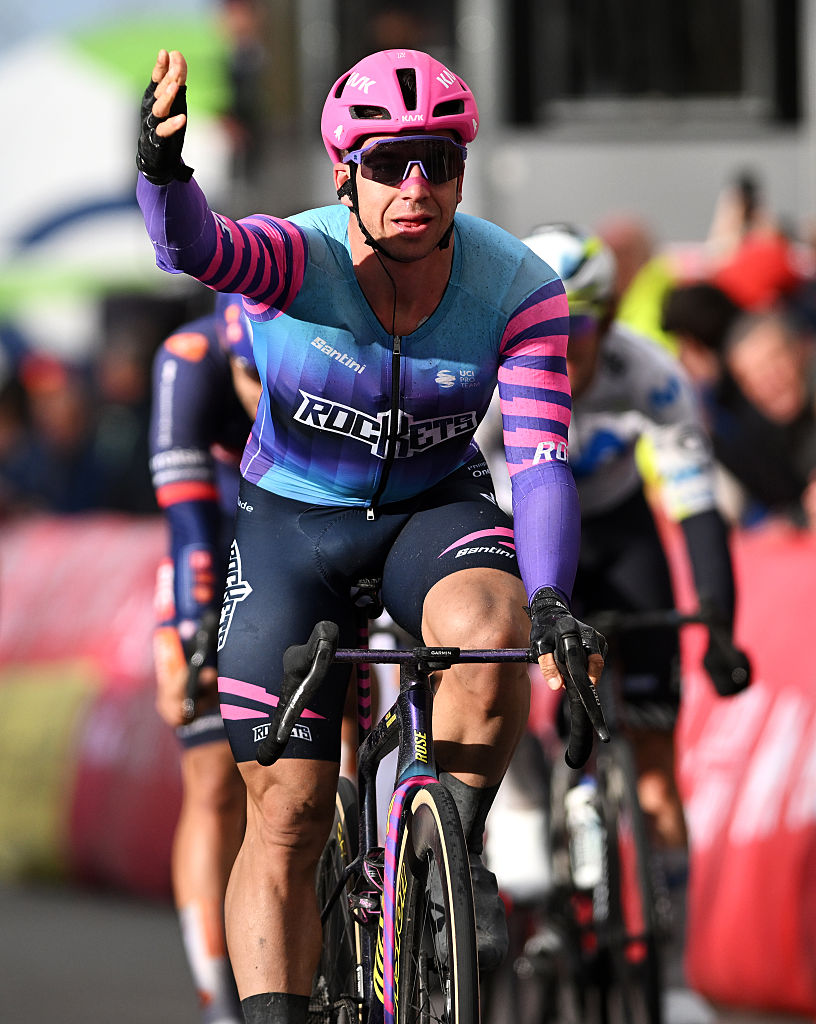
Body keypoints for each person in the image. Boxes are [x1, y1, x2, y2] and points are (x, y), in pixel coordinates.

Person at [136, 47, 605, 1024]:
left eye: (438, 159)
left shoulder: (520, 288)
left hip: (433, 513)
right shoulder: (294, 259)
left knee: (496, 623)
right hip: (290, 529)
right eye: (391, 163)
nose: (418, 186)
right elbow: (192, 246)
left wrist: (556, 594)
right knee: (291, 812)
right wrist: (165, 173)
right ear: (346, 172)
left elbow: (542, 457)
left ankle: (455, 849)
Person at [512, 226, 751, 854]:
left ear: (611, 318)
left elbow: (697, 504)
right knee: (499, 698)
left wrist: (720, 623)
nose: (560, 349)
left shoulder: (648, 371)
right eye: (543, 329)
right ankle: (529, 808)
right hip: (524, 541)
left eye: (577, 330)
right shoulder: (492, 377)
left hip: (620, 534)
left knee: (653, 768)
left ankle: (668, 942)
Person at [149, 292, 257, 1024]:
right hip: (210, 539)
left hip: (298, 521)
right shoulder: (188, 362)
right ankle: (218, 992)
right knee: (214, 777)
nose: (259, 392)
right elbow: (189, 524)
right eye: (248, 373)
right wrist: (193, 635)